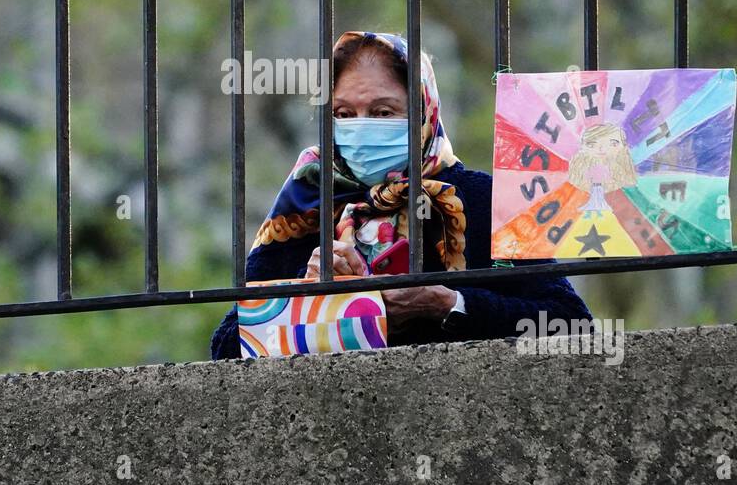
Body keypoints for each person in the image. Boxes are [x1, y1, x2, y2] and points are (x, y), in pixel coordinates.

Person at [210, 30, 592, 360]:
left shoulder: (483, 198)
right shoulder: (308, 205)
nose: (361, 127)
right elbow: (229, 345)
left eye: (383, 112)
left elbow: (571, 326)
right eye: (343, 113)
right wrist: (312, 295)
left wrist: (445, 303)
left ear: (423, 112)